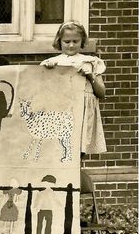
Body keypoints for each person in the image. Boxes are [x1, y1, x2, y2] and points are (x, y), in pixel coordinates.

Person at [41, 20, 107, 154]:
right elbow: (42, 93)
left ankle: (77, 173)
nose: (71, 45)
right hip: (61, 112)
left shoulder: (91, 62)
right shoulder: (52, 63)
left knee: (79, 150)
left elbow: (102, 93)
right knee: (62, 149)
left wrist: (90, 76)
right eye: (67, 41)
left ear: (82, 41)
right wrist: (47, 73)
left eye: (75, 41)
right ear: (59, 41)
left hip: (82, 113)